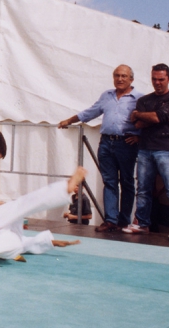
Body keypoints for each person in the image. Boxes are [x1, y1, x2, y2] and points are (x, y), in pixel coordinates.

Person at [58, 64, 142, 232]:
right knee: (109, 182)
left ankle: (124, 222)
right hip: (106, 144)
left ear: (131, 79)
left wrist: (139, 136)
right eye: (117, 75)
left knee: (126, 183)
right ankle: (110, 220)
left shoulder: (139, 98)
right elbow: (91, 112)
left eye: (124, 76)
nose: (120, 79)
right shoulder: (107, 95)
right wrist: (69, 120)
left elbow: (147, 120)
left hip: (127, 144)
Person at [0, 168, 87, 261]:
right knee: (18, 206)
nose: (2, 205)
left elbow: (28, 243)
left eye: (1, 204)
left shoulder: (9, 233)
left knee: (16, 244)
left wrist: (52, 242)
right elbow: (16, 207)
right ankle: (62, 189)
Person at [123, 63, 169, 241]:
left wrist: (141, 115)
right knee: (143, 189)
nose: (157, 83)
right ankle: (142, 223)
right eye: (154, 79)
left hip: (165, 150)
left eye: (161, 79)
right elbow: (137, 124)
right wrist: (157, 117)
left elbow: (152, 117)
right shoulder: (144, 100)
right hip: (145, 149)